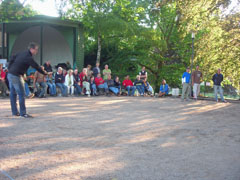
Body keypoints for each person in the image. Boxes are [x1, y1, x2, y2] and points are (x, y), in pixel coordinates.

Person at [7, 42, 47, 118]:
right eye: (36, 49)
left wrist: (9, 68)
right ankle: (23, 113)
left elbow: (12, 57)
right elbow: (36, 66)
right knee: (21, 94)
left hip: (10, 74)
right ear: (31, 49)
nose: (36, 51)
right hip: (16, 75)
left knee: (13, 94)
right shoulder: (28, 57)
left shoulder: (22, 53)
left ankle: (15, 112)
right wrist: (44, 73)